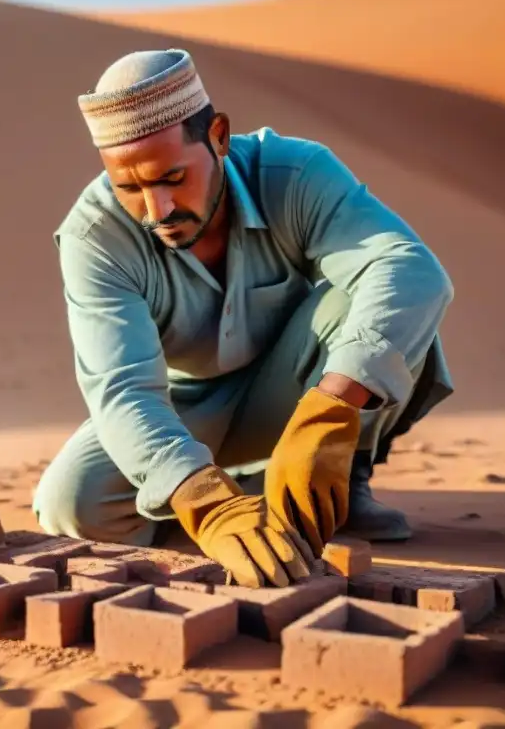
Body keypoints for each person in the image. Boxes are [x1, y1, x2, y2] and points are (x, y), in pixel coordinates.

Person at [33, 48, 454, 589]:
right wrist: (205, 503)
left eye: (173, 178)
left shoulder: (295, 173)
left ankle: (342, 477)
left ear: (220, 138)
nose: (156, 210)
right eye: (130, 188)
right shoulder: (96, 239)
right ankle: (254, 496)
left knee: (377, 304)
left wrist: (330, 410)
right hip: (185, 407)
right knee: (71, 505)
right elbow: (123, 390)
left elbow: (410, 268)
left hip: (300, 385)